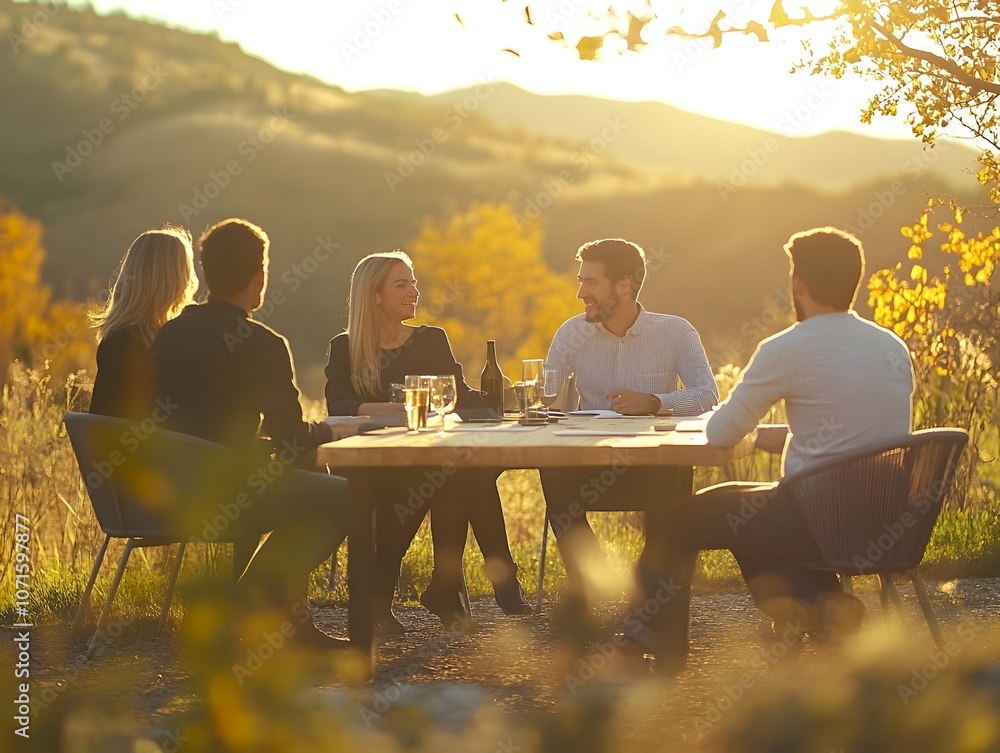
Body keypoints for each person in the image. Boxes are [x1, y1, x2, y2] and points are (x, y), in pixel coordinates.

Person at [632, 227, 915, 673]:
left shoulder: (786, 348)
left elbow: (722, 433)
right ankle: (821, 603)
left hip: (815, 518)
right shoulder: (891, 347)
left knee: (679, 519)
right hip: (883, 518)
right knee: (742, 509)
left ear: (798, 286)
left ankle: (655, 641)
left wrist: (743, 425)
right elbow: (855, 435)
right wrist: (774, 434)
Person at [151, 218, 362, 650]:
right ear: (260, 275)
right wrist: (329, 431)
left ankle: (290, 622)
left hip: (167, 491)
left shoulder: (167, 336)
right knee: (346, 497)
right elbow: (288, 437)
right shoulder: (262, 343)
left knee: (301, 473)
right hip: (229, 493)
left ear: (205, 274)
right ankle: (249, 601)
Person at [325, 251, 531, 631]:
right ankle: (481, 580)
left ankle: (447, 586)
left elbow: (460, 396)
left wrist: (512, 398)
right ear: (374, 296)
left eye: (414, 282)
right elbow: (339, 404)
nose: (414, 291)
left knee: (459, 474)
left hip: (426, 459)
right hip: (371, 464)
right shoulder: (346, 346)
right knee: (456, 476)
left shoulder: (431, 339)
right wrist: (403, 408)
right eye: (402, 284)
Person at [541, 238, 719, 604]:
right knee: (552, 471)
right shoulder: (570, 333)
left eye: (590, 283)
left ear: (623, 286)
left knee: (672, 480)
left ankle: (653, 591)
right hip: (586, 465)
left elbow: (707, 395)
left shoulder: (675, 332)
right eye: (580, 281)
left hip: (652, 463)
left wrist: (656, 402)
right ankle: (595, 584)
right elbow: (545, 400)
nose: (580, 293)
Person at [89, 226, 198, 420]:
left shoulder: (116, 339)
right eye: (185, 272)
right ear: (174, 279)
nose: (189, 282)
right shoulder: (146, 347)